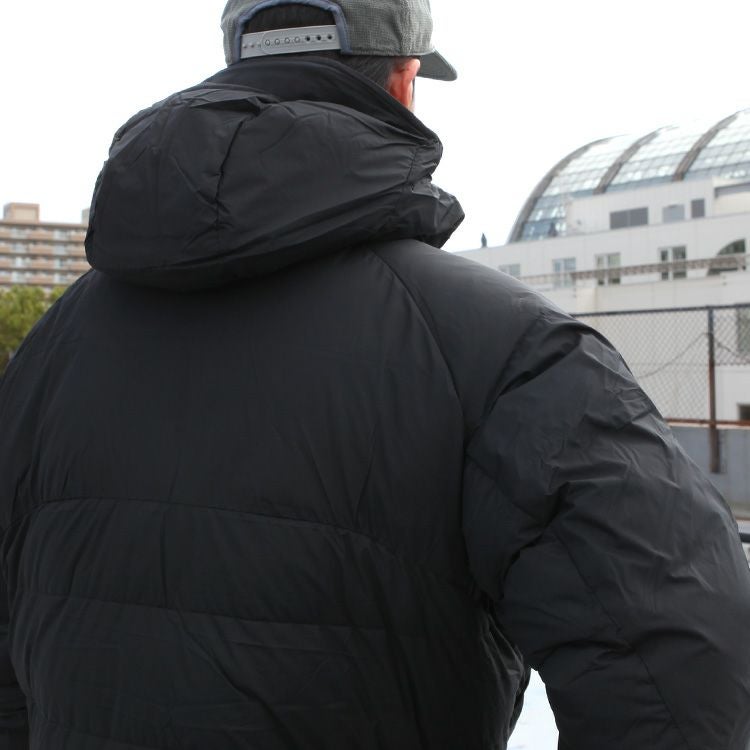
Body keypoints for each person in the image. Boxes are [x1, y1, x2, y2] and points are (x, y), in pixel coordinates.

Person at [0, 0, 749, 747]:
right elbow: (680, 669)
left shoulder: (53, 345)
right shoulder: (503, 345)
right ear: (402, 82)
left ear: (240, 67)